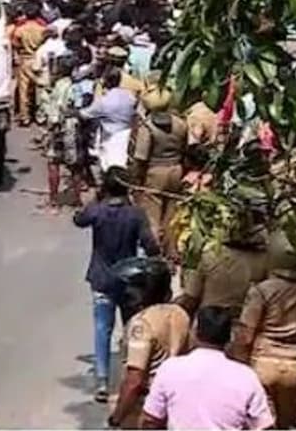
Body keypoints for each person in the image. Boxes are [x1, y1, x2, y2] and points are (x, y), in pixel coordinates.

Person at [73, 167, 161, 403]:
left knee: (103, 329)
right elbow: (151, 247)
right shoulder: (135, 214)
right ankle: (132, 378)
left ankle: (102, 381)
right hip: (130, 281)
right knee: (132, 330)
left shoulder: (97, 212)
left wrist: (93, 198)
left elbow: (78, 219)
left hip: (101, 280)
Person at [230, 229, 296, 429]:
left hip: (261, 366)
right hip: (295, 370)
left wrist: (237, 371)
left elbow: (245, 338)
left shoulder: (262, 291)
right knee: (285, 426)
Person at [140, 307, 276, 430]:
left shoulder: (170, 369)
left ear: (194, 332)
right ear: (230, 338)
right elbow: (264, 425)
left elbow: (150, 419)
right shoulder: (246, 376)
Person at [108, 257, 191, 429]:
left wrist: (116, 419)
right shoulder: (180, 313)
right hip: (176, 402)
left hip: (146, 406)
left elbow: (135, 380)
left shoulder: (142, 324)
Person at [127, 88, 188, 253]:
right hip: (176, 170)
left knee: (152, 216)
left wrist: (135, 179)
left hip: (155, 172)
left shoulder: (147, 128)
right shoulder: (180, 123)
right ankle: (172, 252)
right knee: (172, 214)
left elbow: (140, 157)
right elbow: (185, 148)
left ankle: (154, 252)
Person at [80, 67, 138, 172]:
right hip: (127, 136)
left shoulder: (104, 101)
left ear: (106, 82)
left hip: (110, 138)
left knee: (107, 168)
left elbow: (85, 114)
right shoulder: (130, 97)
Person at [11, 0, 47, 127]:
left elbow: (15, 44)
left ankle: (25, 117)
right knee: (40, 88)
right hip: (39, 59)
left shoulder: (20, 29)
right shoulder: (43, 29)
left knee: (23, 91)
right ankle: (40, 116)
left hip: (25, 59)